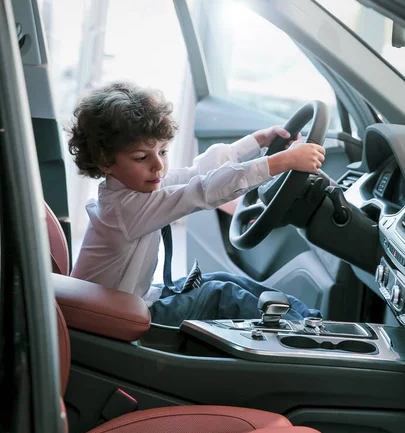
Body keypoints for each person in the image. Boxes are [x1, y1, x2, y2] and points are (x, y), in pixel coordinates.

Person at [68, 82, 325, 327]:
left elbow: (197, 173)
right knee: (219, 294)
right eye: (141, 157)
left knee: (223, 279)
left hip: (130, 303)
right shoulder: (124, 209)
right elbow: (203, 190)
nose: (158, 165)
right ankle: (308, 336)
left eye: (163, 151)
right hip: (114, 317)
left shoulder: (134, 188)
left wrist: (257, 141)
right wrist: (279, 163)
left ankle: (311, 322)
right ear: (105, 162)